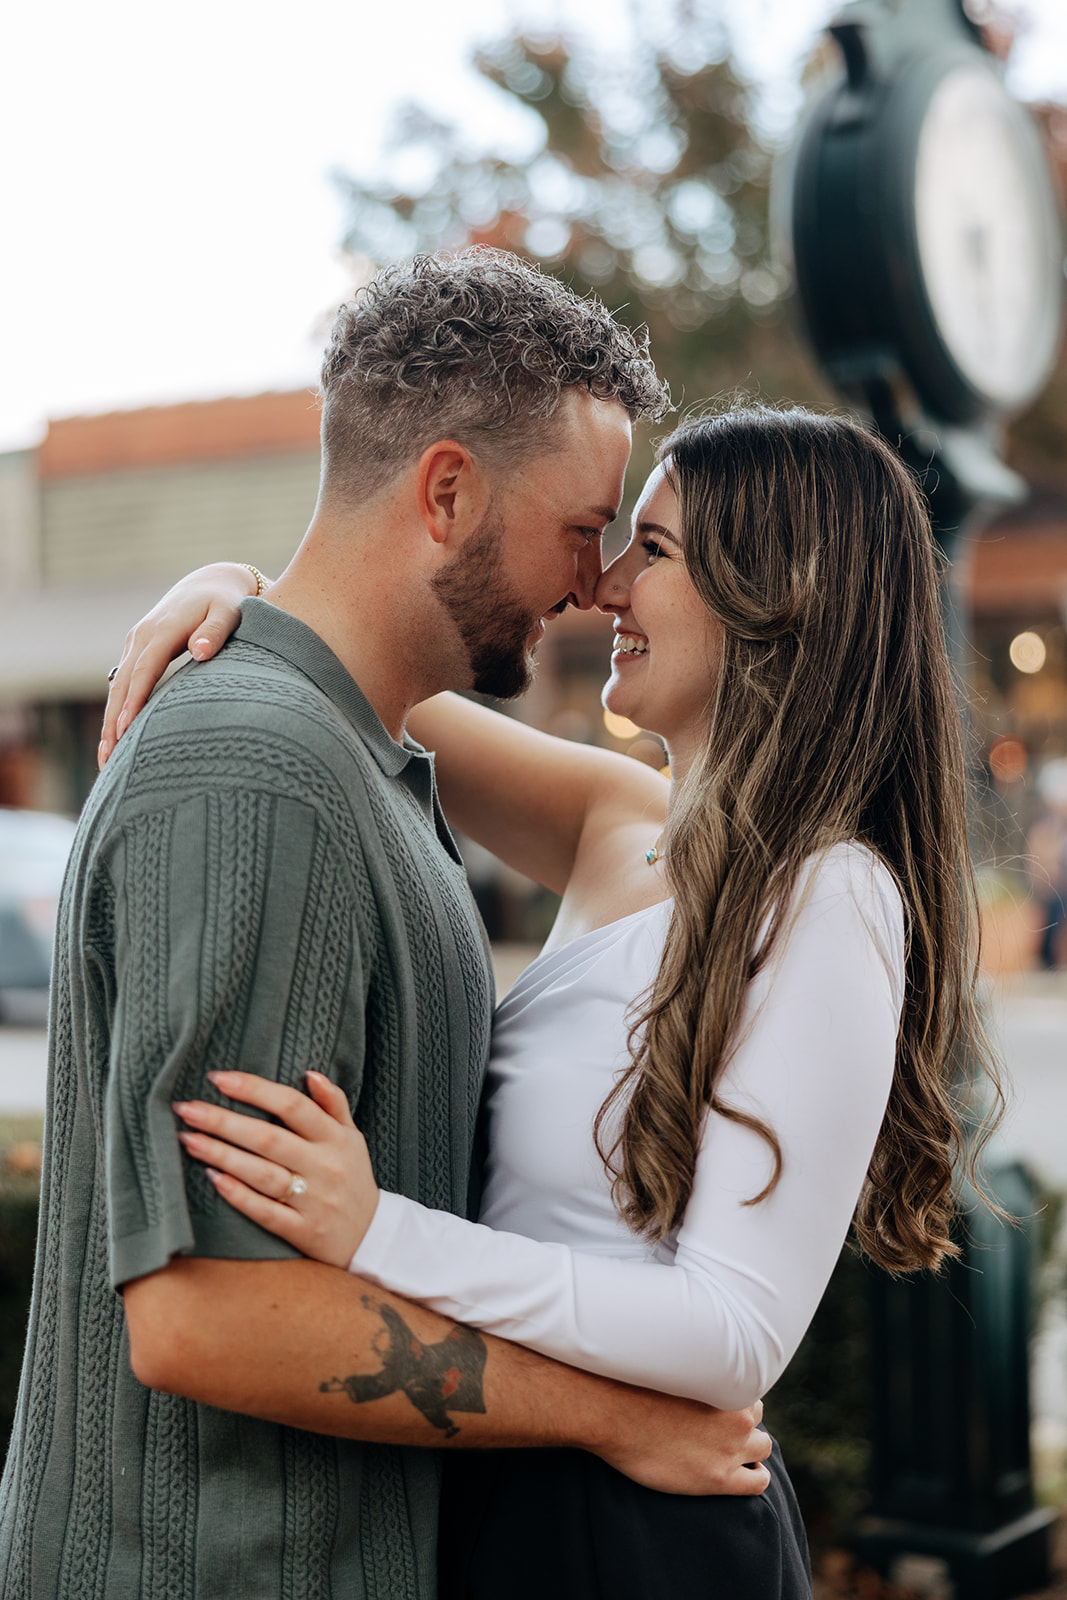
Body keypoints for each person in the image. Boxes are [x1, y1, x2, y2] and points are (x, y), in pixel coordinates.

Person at [101, 405, 999, 1598]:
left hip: (634, 1528)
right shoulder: (619, 819)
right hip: (497, 1472)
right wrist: (230, 585)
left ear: (773, 595)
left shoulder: (828, 893)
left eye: (654, 552)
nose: (605, 586)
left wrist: (378, 1231)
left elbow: (734, 1331)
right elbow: (362, 654)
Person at [0, 252, 778, 1600]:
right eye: (583, 527)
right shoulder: (255, 773)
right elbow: (199, 1316)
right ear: (446, 492)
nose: (594, 585)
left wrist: (248, 593)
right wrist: (616, 1415)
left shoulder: (357, 753)